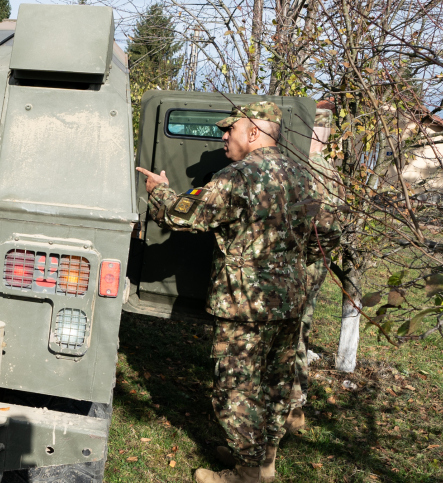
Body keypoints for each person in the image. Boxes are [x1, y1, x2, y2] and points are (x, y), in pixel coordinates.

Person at [136, 101, 340, 483]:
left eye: (231, 129)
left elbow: (184, 214)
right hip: (289, 302)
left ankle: (247, 473)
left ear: (254, 133)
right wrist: (293, 269)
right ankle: (265, 462)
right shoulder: (305, 174)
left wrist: (160, 191)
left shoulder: (241, 176)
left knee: (237, 388)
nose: (224, 136)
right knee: (276, 383)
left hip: (245, 305)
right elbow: (327, 235)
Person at [286, 105, 345, 432]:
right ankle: (296, 408)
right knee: (300, 331)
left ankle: (292, 409)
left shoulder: (309, 171)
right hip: (315, 265)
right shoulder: (331, 172)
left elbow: (321, 230)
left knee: (290, 335)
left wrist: (298, 257)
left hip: (302, 266)